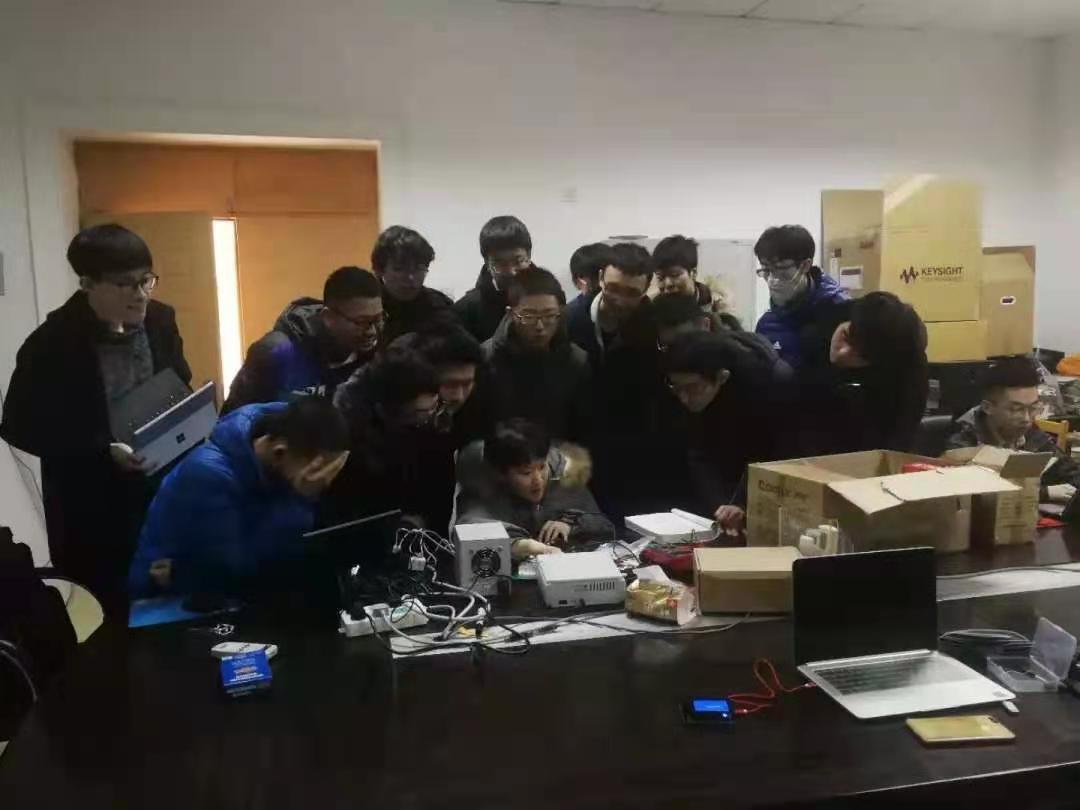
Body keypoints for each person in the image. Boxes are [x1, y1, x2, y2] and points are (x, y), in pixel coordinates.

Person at [0, 224, 190, 620]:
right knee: (110, 614)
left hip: (161, 483)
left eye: (146, 281)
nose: (140, 295)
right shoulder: (51, 343)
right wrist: (102, 449)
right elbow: (18, 426)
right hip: (91, 506)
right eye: (125, 285)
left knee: (171, 603)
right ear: (87, 284)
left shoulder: (160, 319)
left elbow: (178, 378)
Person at [128, 399, 349, 600]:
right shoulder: (209, 476)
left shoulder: (277, 435)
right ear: (279, 452)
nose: (323, 481)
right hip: (163, 597)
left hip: (211, 579)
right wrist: (300, 499)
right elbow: (235, 572)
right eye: (317, 474)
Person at [567, 243, 663, 519]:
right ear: (600, 278)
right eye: (613, 288)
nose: (619, 300)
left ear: (646, 290)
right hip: (578, 451)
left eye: (631, 293)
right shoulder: (569, 321)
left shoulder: (654, 326)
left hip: (636, 454)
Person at [661, 331, 785, 534]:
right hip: (722, 488)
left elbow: (770, 455)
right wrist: (721, 504)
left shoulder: (767, 387)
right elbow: (698, 453)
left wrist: (741, 503)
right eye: (677, 387)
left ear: (722, 377)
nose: (684, 398)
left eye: (692, 388)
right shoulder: (691, 391)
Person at [223, 266, 383, 413]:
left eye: (378, 319)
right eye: (361, 322)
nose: (372, 331)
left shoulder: (378, 352)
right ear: (328, 317)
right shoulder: (276, 352)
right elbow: (232, 422)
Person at [794, 291, 929, 457]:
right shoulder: (824, 319)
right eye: (845, 336)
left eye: (860, 356)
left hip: (867, 448)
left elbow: (900, 438)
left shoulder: (908, 368)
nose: (841, 354)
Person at [456, 419, 614, 559]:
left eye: (542, 467)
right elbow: (468, 530)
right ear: (501, 474)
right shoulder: (482, 490)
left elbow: (605, 526)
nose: (538, 480)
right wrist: (519, 545)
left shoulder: (564, 478)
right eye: (526, 473)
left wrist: (570, 524)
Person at [328, 347, 448, 532]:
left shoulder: (427, 423)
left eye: (435, 405)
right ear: (389, 409)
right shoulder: (348, 437)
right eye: (421, 412)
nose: (431, 416)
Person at [947, 357, 1080, 505]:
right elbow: (971, 494)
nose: (1026, 418)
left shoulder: (1032, 435)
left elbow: (1070, 473)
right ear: (987, 408)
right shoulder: (963, 443)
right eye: (1016, 409)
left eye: (1033, 408)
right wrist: (1044, 493)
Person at [483, 267, 591, 442]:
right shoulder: (486, 358)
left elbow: (583, 427)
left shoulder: (576, 361)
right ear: (511, 313)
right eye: (529, 316)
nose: (540, 326)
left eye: (549, 316)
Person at [753, 225, 848, 370]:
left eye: (780, 269)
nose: (772, 279)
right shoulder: (767, 325)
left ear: (805, 266)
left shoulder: (841, 315)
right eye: (766, 270)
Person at [454, 215, 533, 342]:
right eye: (501, 263)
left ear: (529, 257)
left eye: (518, 261)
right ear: (487, 263)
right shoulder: (466, 310)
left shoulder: (551, 298)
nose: (511, 271)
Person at [371, 225, 455, 342]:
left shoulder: (440, 306)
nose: (410, 277)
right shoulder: (365, 308)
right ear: (379, 270)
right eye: (400, 269)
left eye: (419, 268)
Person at [652, 235, 713, 310]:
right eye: (660, 278)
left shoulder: (716, 307)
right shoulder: (654, 308)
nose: (667, 284)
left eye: (674, 275)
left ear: (693, 274)